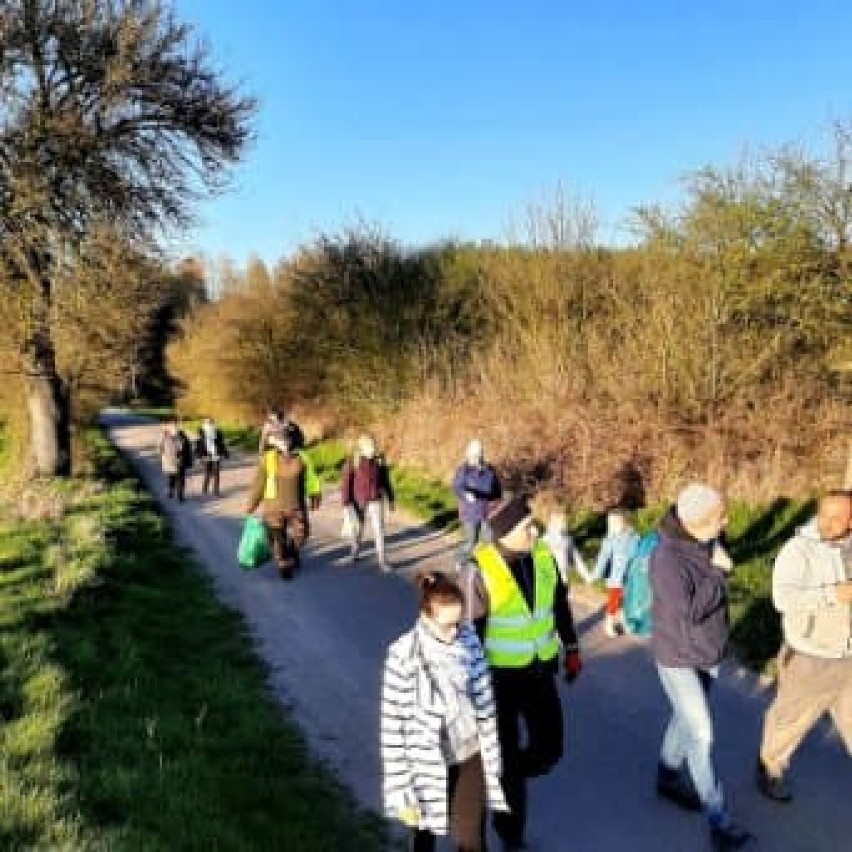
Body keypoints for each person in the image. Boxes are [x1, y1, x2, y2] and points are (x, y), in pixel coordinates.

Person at [462, 496, 581, 851]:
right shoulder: (477, 569)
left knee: (550, 748)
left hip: (539, 671)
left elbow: (559, 604)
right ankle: (511, 834)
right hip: (497, 681)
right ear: (505, 533)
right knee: (509, 757)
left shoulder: (543, 556)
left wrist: (572, 647)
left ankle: (502, 780)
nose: (535, 530)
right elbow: (469, 634)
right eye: (527, 526)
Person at [650, 483, 752, 851]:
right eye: (720, 517)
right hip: (678, 657)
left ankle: (666, 775)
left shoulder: (705, 541)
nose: (727, 521)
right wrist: (718, 573)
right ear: (697, 523)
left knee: (685, 719)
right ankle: (719, 820)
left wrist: (716, 566)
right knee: (702, 735)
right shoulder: (665, 559)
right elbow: (687, 612)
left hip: (708, 652)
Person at [380, 571, 508, 852]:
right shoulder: (403, 655)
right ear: (426, 617)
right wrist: (401, 789)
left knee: (471, 838)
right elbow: (393, 727)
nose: (454, 633)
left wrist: (491, 746)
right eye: (447, 626)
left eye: (458, 623)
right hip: (427, 761)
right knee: (425, 834)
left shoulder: (469, 638)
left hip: (470, 752)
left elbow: (484, 693)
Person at [756, 490, 852, 803]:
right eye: (825, 514)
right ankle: (770, 768)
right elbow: (783, 600)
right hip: (811, 656)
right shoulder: (798, 552)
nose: (829, 522)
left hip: (849, 654)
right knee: (790, 722)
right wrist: (832, 595)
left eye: (839, 517)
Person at [244, 431, 321, 580]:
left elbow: (311, 478)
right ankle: (284, 567)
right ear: (275, 443)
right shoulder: (267, 459)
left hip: (296, 506)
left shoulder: (302, 457)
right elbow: (258, 484)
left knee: (302, 535)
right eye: (281, 441)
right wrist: (251, 504)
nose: (284, 443)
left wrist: (315, 495)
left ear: (291, 441)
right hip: (273, 507)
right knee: (278, 540)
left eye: (286, 440)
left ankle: (292, 553)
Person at [340, 435, 395, 570]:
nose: (373, 448)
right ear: (362, 447)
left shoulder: (379, 461)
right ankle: (354, 553)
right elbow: (346, 483)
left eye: (374, 445)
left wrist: (391, 498)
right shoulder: (353, 461)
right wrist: (346, 503)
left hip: (376, 500)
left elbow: (385, 481)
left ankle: (382, 560)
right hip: (358, 501)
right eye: (370, 445)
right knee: (357, 529)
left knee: (379, 530)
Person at [586, 509, 640, 637]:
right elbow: (602, 559)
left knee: (627, 601)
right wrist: (594, 575)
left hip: (631, 577)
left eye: (614, 523)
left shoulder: (635, 537)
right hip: (615, 578)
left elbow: (639, 555)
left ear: (623, 522)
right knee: (614, 602)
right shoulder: (609, 540)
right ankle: (609, 624)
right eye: (610, 523)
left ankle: (624, 621)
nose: (611, 526)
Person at [453, 440, 502, 564]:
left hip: (486, 511)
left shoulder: (490, 470)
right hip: (469, 512)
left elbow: (497, 490)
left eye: (478, 455)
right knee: (471, 542)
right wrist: (465, 494)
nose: (475, 458)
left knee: (489, 540)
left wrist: (497, 502)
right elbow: (457, 487)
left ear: (482, 455)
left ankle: (484, 564)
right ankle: (459, 560)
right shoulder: (463, 471)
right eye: (473, 455)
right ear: (468, 455)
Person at [541, 509, 589, 593]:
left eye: (565, 520)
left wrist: (587, 576)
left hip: (563, 578)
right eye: (563, 521)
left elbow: (576, 559)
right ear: (554, 522)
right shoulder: (545, 540)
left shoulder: (567, 539)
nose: (566, 523)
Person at [158, 418, 192, 501]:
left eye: (175, 424)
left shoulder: (182, 434)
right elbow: (160, 448)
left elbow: (187, 446)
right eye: (172, 424)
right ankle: (171, 491)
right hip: (169, 460)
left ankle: (180, 495)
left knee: (181, 478)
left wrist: (187, 458)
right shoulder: (164, 435)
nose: (174, 426)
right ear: (169, 425)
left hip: (180, 460)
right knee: (171, 477)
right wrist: (163, 458)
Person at [194, 417, 229, 497]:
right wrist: (198, 456)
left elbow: (221, 443)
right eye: (207, 421)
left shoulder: (217, 431)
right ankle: (204, 490)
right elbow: (198, 445)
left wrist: (225, 453)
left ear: (213, 422)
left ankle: (216, 491)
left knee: (216, 473)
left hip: (215, 454)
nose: (209, 423)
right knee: (208, 472)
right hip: (206, 454)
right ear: (204, 422)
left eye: (210, 421)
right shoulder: (201, 432)